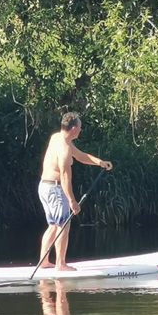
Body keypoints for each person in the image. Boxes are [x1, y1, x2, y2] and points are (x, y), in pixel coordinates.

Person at [38, 111, 113, 270]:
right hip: (55, 189)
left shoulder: (57, 137)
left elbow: (80, 155)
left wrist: (99, 162)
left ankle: (44, 262)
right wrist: (72, 201)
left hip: (44, 187)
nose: (80, 129)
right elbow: (65, 178)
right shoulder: (64, 150)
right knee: (63, 225)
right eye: (79, 127)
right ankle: (60, 264)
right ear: (73, 129)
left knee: (53, 225)